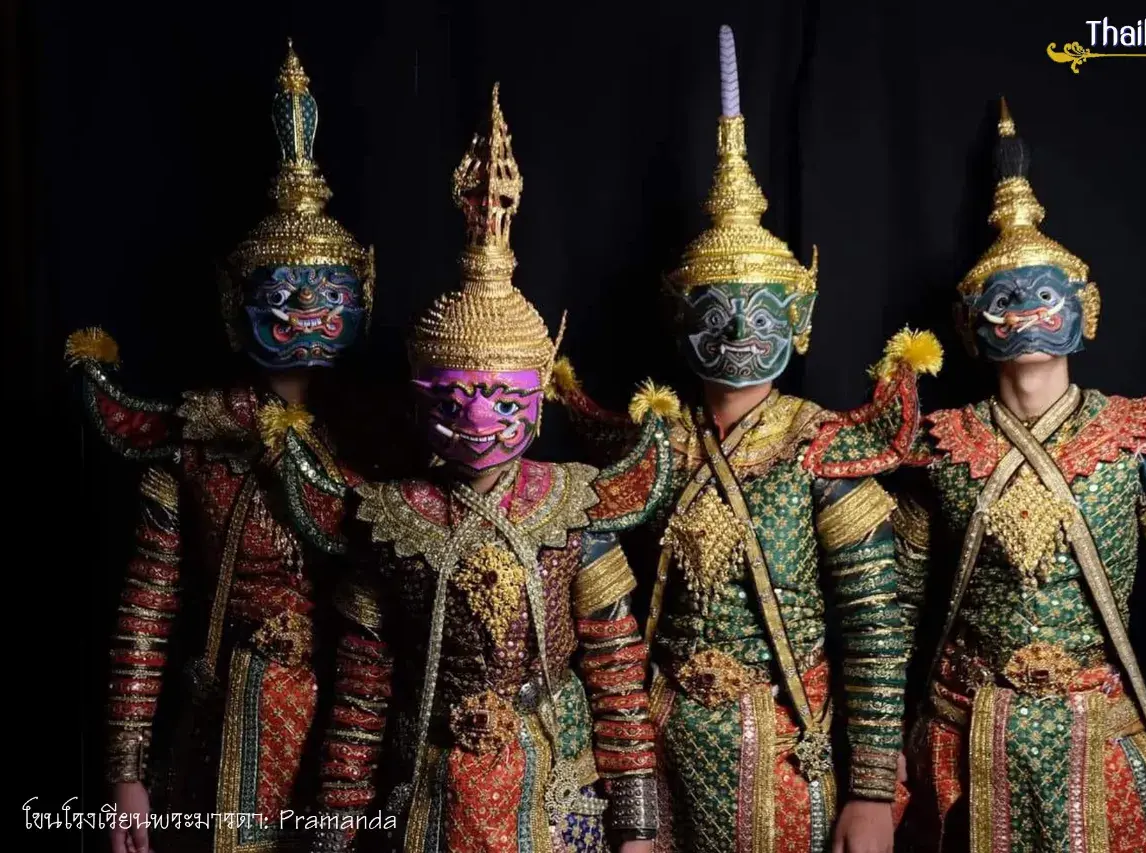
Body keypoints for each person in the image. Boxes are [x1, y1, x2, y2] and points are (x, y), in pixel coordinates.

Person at [549, 25, 942, 853]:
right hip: (657, 743)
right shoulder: (653, 445)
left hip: (785, 746)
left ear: (799, 322)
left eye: (762, 313)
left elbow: (874, 630)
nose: (736, 329)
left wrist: (871, 791)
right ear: (674, 317)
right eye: (714, 309)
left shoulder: (822, 450)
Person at [288, 84, 674, 853]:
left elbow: (617, 671)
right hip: (429, 781)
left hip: (553, 776)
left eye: (500, 397)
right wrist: (334, 828)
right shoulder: (392, 516)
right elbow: (362, 692)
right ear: (417, 392)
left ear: (539, 393)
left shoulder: (574, 506)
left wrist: (634, 824)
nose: (475, 417)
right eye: (454, 396)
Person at [895, 99, 1146, 852]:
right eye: (1002, 300)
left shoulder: (1136, 443)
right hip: (962, 735)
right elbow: (893, 605)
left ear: (1084, 311)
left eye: (1044, 296)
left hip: (1099, 728)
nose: (1024, 313)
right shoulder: (943, 448)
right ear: (968, 326)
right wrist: (875, 761)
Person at [65, 41, 375, 853]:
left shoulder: (387, 441)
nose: (308, 308)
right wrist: (125, 769)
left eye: (331, 294)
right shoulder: (197, 446)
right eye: (283, 294)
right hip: (225, 728)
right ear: (234, 305)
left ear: (365, 298)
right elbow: (146, 609)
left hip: (361, 724)